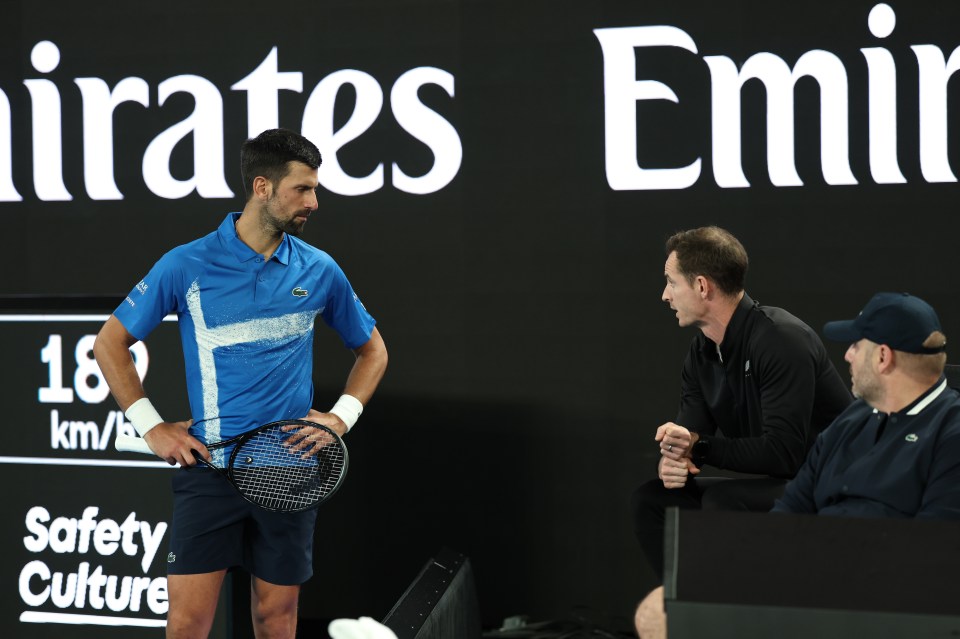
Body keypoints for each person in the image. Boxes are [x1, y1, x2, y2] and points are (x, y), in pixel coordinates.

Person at [93, 128, 388, 639]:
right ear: (262, 187)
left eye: (315, 189)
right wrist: (151, 426)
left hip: (288, 470)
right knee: (188, 624)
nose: (314, 202)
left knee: (277, 620)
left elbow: (373, 350)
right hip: (209, 470)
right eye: (302, 189)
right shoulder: (186, 264)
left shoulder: (320, 269)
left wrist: (341, 417)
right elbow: (109, 343)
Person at [631, 226, 851, 638]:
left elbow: (785, 454)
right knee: (651, 498)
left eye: (670, 282)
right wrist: (675, 458)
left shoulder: (781, 339)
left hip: (832, 484)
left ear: (701, 285)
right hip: (784, 479)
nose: (664, 295)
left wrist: (701, 447)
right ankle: (685, 616)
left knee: (724, 501)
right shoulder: (701, 351)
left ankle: (725, 624)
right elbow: (692, 436)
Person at [772, 292, 960, 518]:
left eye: (856, 345)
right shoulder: (850, 419)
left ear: (883, 357)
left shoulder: (950, 437)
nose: (848, 355)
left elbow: (936, 542)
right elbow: (789, 510)